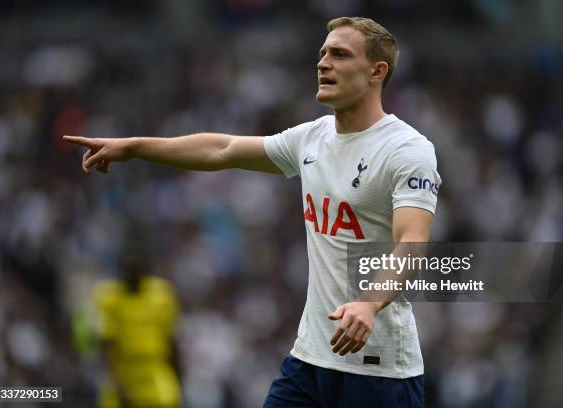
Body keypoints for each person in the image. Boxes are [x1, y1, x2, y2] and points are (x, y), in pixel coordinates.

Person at [65, 16, 441, 408]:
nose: (323, 63)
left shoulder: (406, 150)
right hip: (311, 359)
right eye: (323, 53)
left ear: (376, 72)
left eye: (340, 55)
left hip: (377, 368)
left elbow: (412, 241)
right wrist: (136, 146)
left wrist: (369, 302)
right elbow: (222, 150)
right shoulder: (312, 138)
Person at [93, 249, 182, 408]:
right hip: (124, 371)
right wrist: (116, 382)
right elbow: (106, 343)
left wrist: (178, 374)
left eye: (138, 268)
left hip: (155, 369)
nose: (133, 274)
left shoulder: (161, 294)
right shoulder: (110, 297)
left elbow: (171, 337)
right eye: (129, 269)